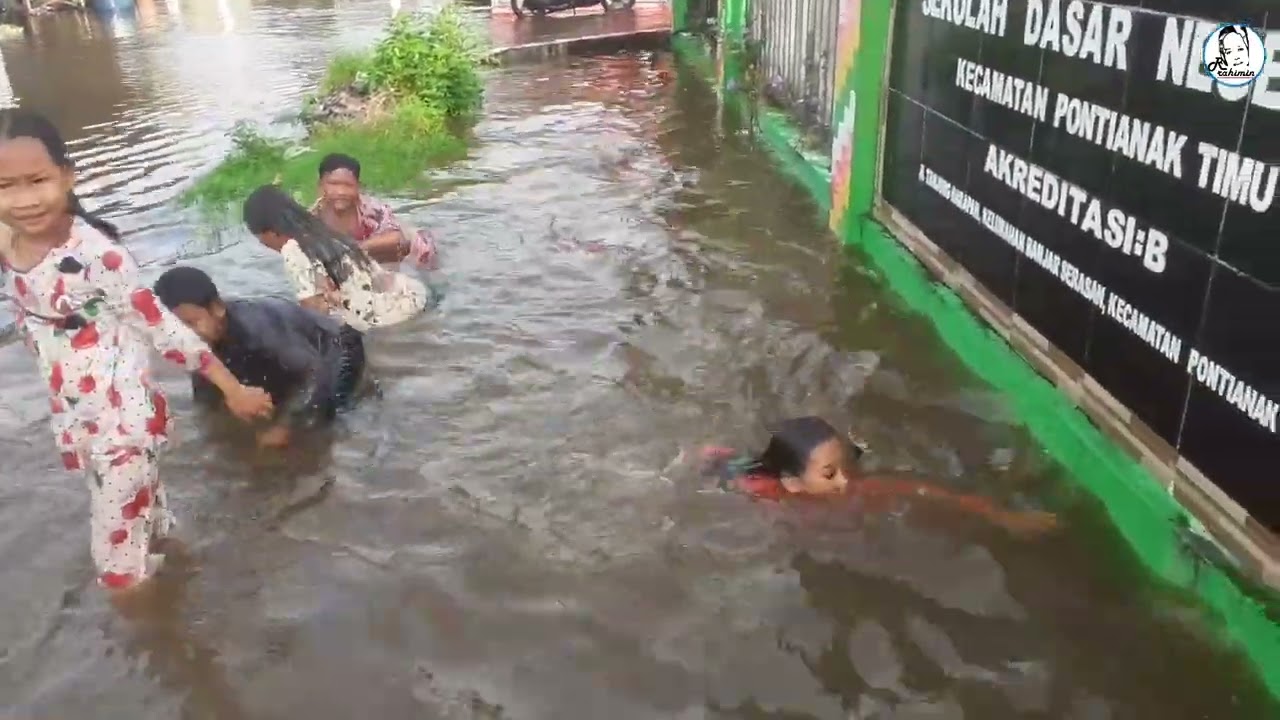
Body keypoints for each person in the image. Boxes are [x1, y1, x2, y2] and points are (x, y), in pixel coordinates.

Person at [0, 109, 275, 593]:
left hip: (121, 426)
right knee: (148, 526)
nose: (24, 200)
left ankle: (149, 629)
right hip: (78, 417)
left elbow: (162, 327)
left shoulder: (97, 256)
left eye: (38, 181)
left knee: (118, 572)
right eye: (5, 186)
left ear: (67, 176)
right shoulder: (8, 240)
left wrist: (233, 389)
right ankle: (188, 590)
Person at [701, 416, 1059, 535]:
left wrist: (1003, 517)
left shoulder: (856, 484)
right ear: (794, 482)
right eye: (830, 475)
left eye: (844, 469)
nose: (845, 482)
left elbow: (926, 490)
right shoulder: (766, 496)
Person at [153, 266, 366, 449]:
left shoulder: (257, 330)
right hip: (289, 350)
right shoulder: (195, 345)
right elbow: (206, 398)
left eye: (191, 323)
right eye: (176, 329)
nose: (185, 336)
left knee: (323, 419)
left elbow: (315, 375)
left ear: (217, 308)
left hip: (336, 344)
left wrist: (285, 425)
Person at [242, 183, 428, 332]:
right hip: (411, 294)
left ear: (270, 232)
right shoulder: (318, 228)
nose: (263, 244)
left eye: (260, 238)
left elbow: (315, 315)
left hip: (389, 319)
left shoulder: (292, 250)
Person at [311, 153, 438, 268]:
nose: (341, 192)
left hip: (407, 248)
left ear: (358, 187)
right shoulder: (312, 218)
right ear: (320, 185)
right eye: (333, 184)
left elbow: (395, 239)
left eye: (348, 185)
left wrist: (354, 248)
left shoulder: (371, 210)